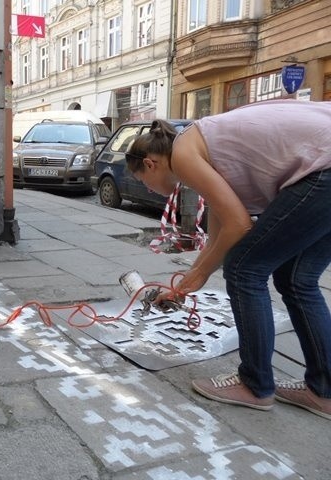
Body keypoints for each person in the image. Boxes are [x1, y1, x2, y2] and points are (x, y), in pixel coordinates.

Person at [125, 99, 331, 419]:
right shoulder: (200, 145)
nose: (150, 191)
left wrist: (198, 277)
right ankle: (324, 391)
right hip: (324, 162)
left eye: (142, 183)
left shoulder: (184, 154)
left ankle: (254, 384)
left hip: (323, 170)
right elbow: (223, 228)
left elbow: (239, 225)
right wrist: (191, 278)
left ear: (150, 164)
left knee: (244, 269)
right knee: (296, 279)